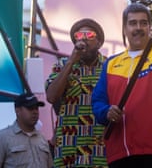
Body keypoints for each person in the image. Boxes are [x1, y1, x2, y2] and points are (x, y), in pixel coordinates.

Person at [92, 2, 152, 168]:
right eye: (133, 23)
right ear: (125, 29)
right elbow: (98, 101)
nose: (138, 27)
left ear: (150, 27)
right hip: (120, 153)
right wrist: (106, 112)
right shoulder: (111, 63)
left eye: (144, 23)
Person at [45, 18, 108, 167]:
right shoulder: (62, 66)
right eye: (79, 36)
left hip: (99, 148)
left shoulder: (109, 66)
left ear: (99, 42)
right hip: (69, 149)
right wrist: (70, 62)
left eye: (90, 35)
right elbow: (51, 96)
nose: (84, 39)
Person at [0, 93, 53, 168]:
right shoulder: (2, 137)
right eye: (30, 108)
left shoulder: (42, 138)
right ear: (17, 111)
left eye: (36, 108)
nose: (35, 112)